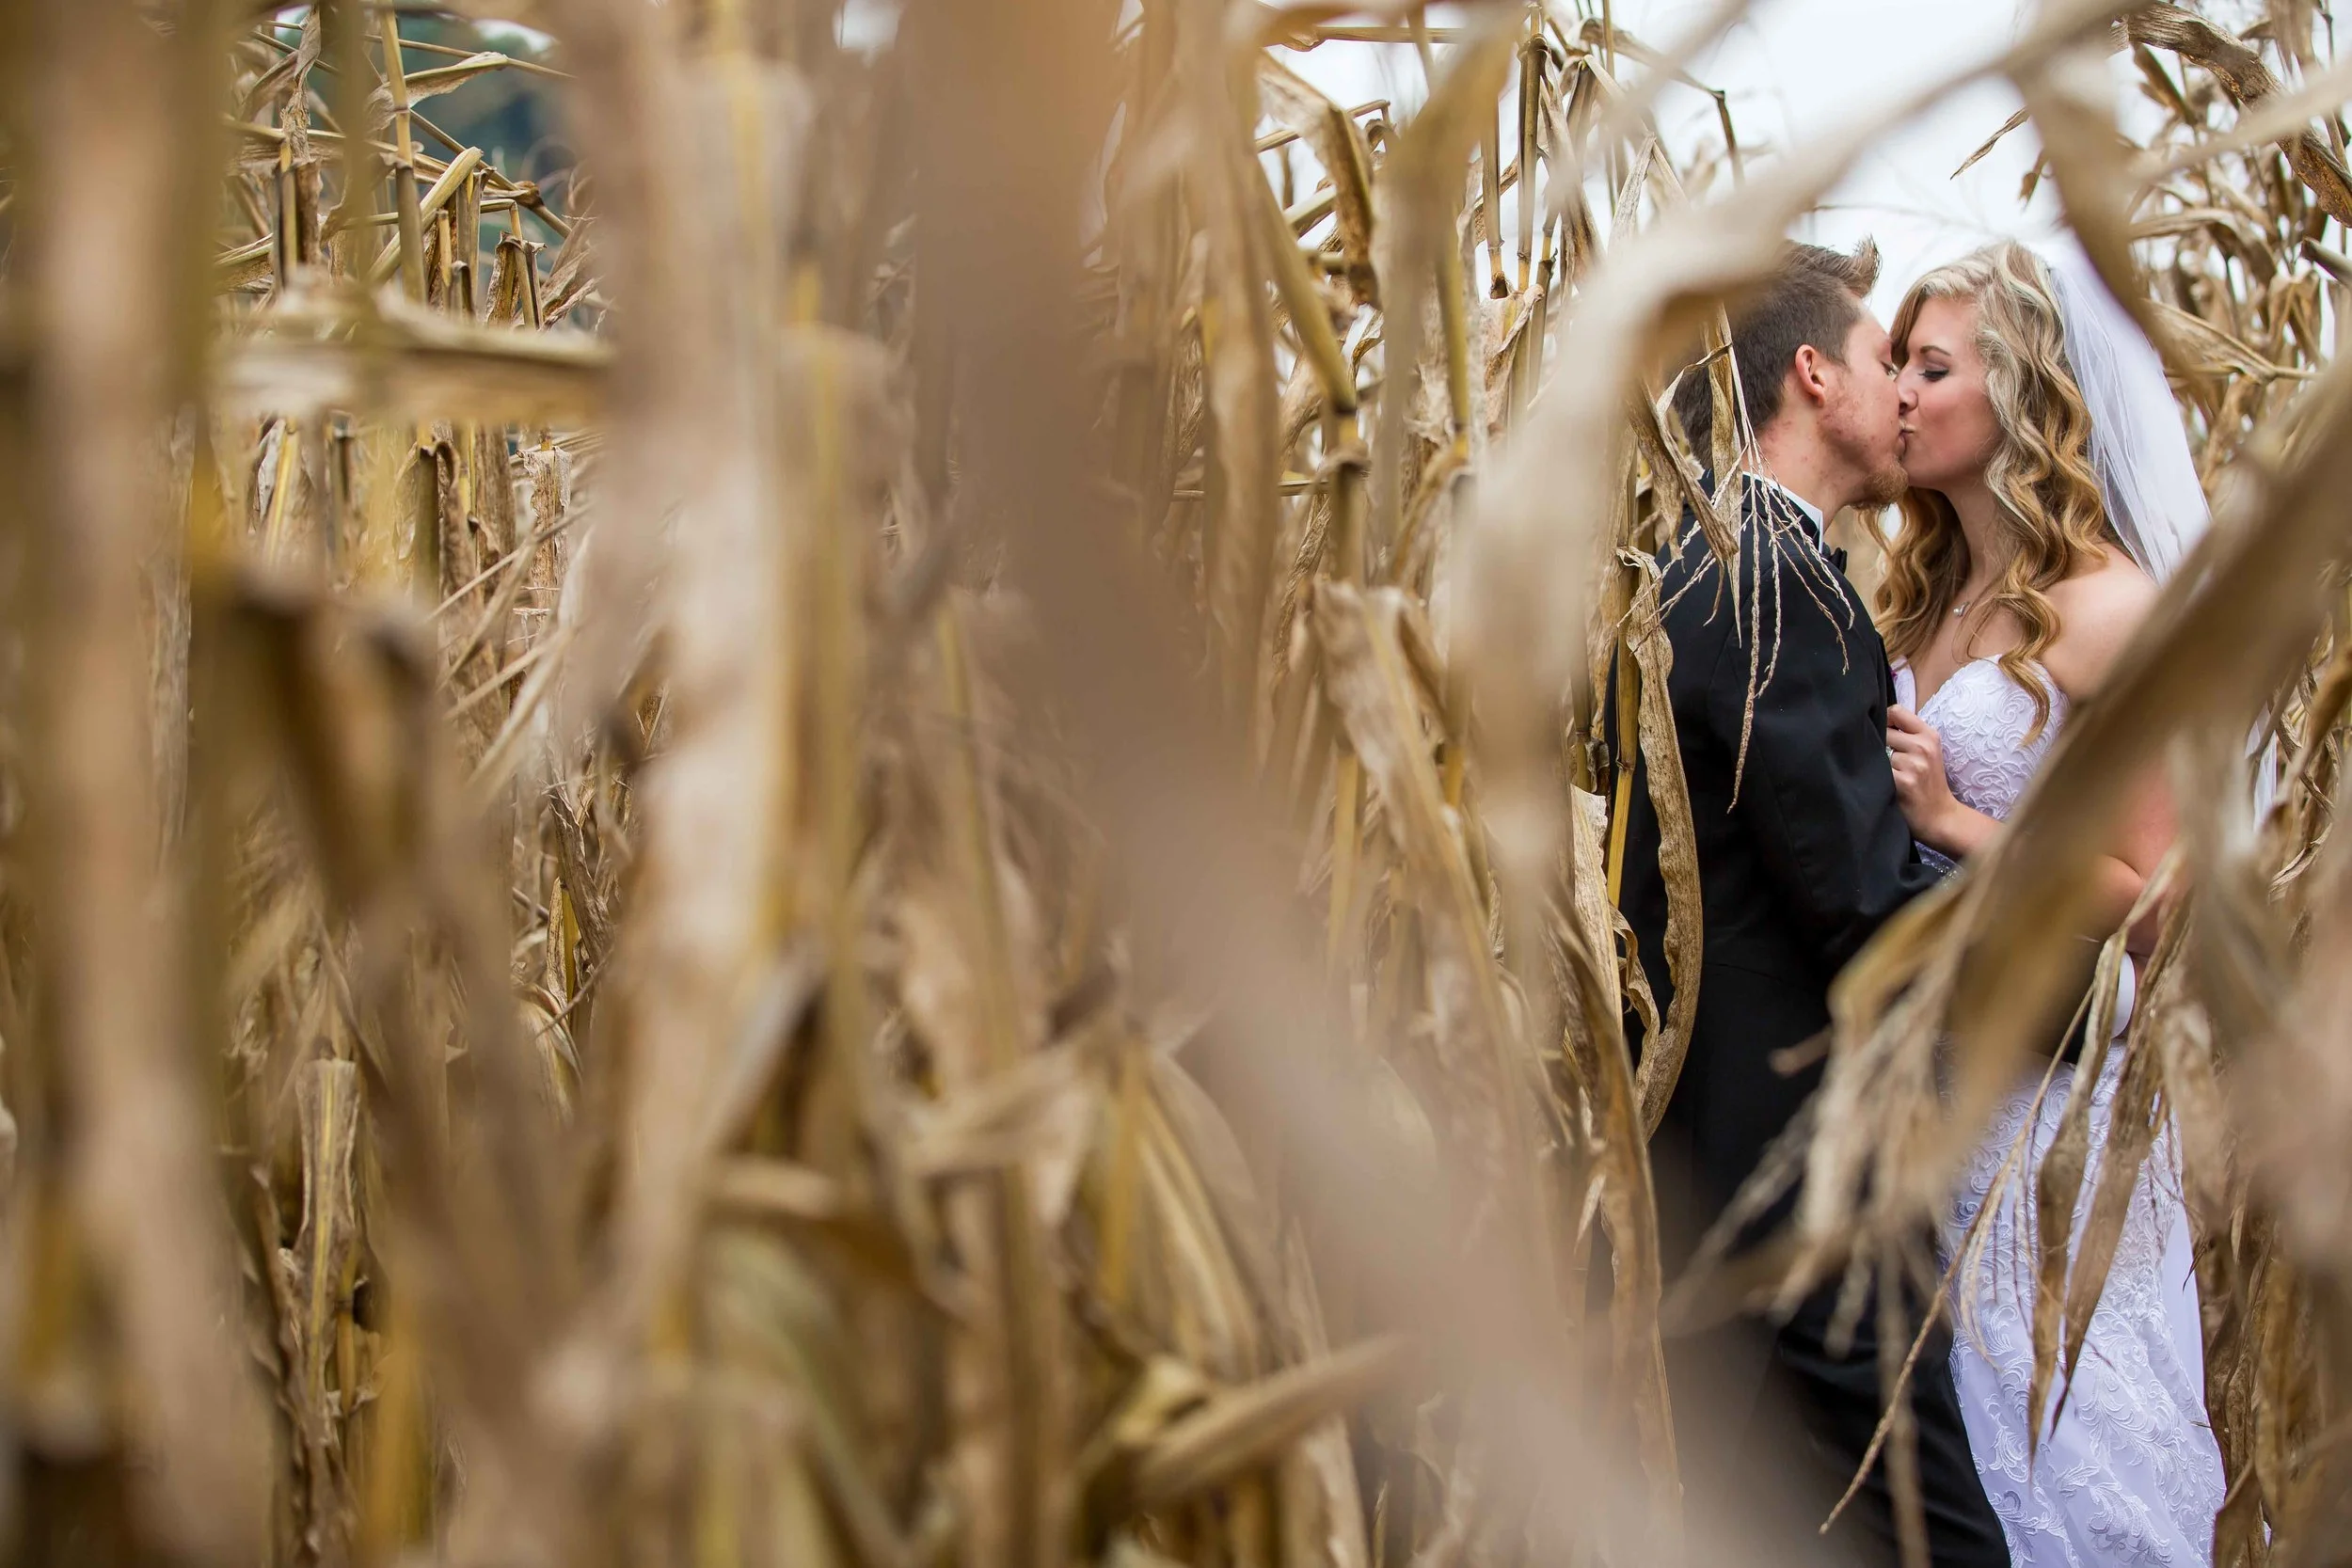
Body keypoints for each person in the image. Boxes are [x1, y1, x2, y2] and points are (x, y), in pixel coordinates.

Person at [1614, 240, 2009, 1567]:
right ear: (1813, 375)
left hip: (1716, 1169)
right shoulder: (1775, 587)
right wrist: (2074, 981)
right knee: (1946, 1540)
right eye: (1885, 359)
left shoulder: (1698, 566)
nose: (1903, 392)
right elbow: (1862, 907)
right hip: (1798, 1186)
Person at [1882, 240, 2225, 1565]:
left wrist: (1958, 823)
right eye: (1896, 363)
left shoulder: (2112, 607)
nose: (1900, 393)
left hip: (2050, 1104)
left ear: (2020, 388)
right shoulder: (1920, 599)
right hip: (1928, 1094)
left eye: (1932, 367)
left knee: (2066, 1444)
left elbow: (2156, 896)